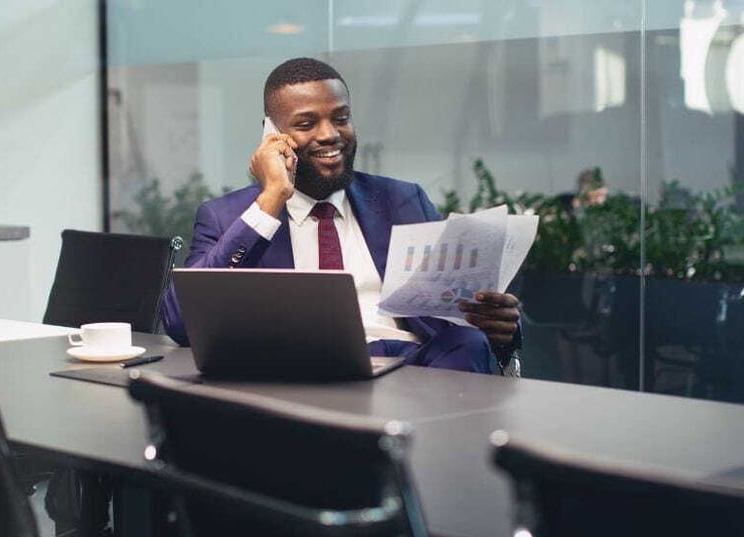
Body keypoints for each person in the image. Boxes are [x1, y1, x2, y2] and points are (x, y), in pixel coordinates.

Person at [160, 57, 522, 375]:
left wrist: (496, 325)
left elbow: (448, 311)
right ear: (273, 135)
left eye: (341, 118)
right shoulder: (226, 216)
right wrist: (272, 198)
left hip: (410, 370)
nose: (330, 134)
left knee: (468, 341)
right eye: (306, 124)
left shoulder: (402, 199)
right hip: (298, 374)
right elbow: (181, 322)